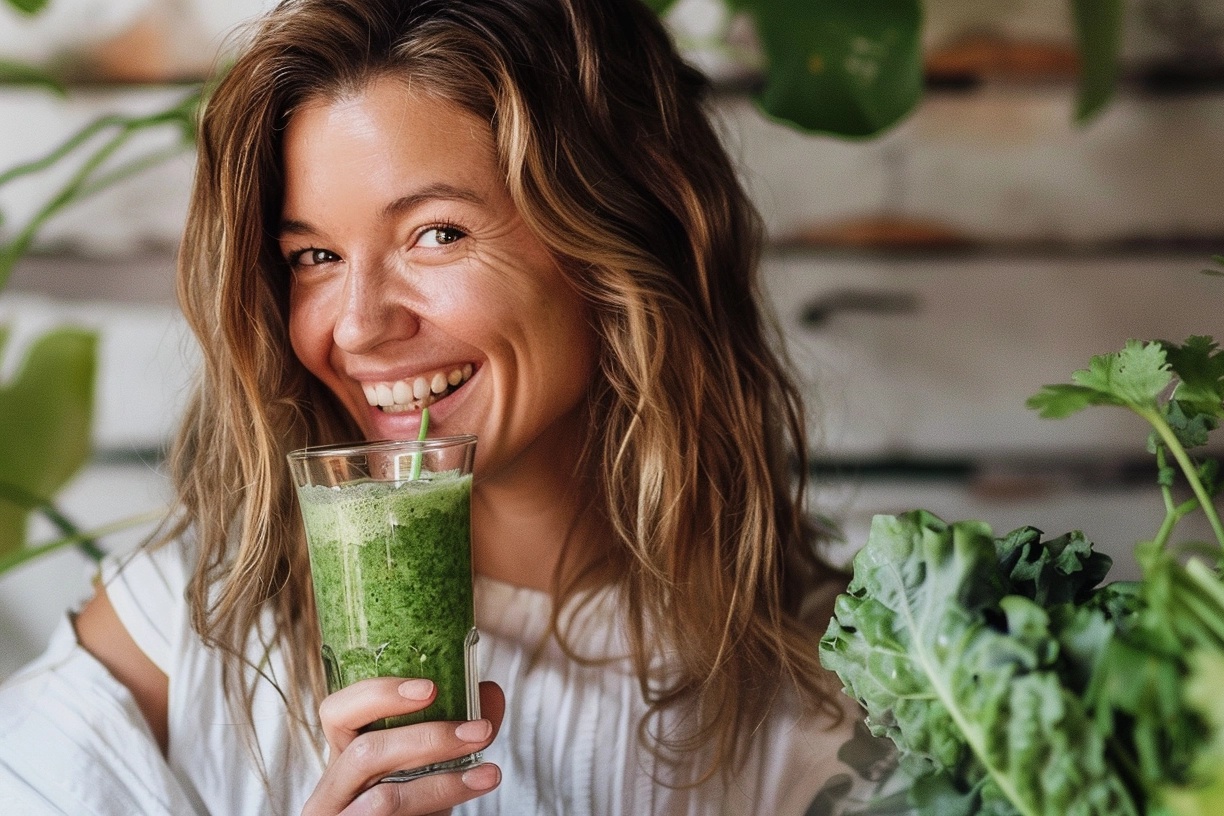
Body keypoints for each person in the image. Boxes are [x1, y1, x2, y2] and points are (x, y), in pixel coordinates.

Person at [0, 0, 907, 813]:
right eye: (315, 256)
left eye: (436, 233)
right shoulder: (184, 634)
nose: (357, 327)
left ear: (625, 235)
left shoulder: (848, 698)